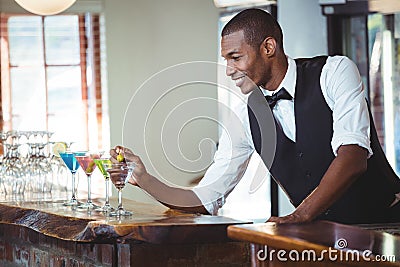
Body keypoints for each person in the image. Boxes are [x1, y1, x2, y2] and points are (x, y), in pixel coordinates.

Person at [110, 8, 400, 224]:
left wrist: (298, 216)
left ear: (268, 48)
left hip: (386, 227)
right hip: (319, 238)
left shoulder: (335, 72)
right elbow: (206, 198)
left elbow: (353, 156)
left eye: (236, 57)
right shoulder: (245, 118)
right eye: (226, 60)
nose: (229, 70)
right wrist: (145, 179)